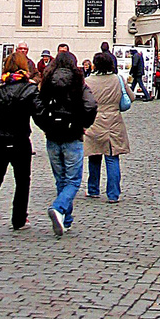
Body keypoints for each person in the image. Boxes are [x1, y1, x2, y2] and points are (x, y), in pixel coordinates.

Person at [0, 50, 43, 238]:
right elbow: (39, 115)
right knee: (22, 181)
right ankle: (19, 219)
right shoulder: (29, 89)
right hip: (20, 140)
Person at [35, 51, 97, 236]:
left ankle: (65, 219)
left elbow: (37, 106)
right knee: (73, 179)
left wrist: (45, 125)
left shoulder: (47, 81)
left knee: (60, 178)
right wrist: (83, 124)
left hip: (53, 135)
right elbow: (91, 105)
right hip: (73, 135)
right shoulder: (78, 81)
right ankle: (59, 207)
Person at [83, 50, 133, 202]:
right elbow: (130, 97)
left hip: (94, 121)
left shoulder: (87, 82)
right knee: (112, 158)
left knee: (94, 156)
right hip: (113, 121)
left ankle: (93, 189)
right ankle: (113, 193)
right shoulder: (118, 79)